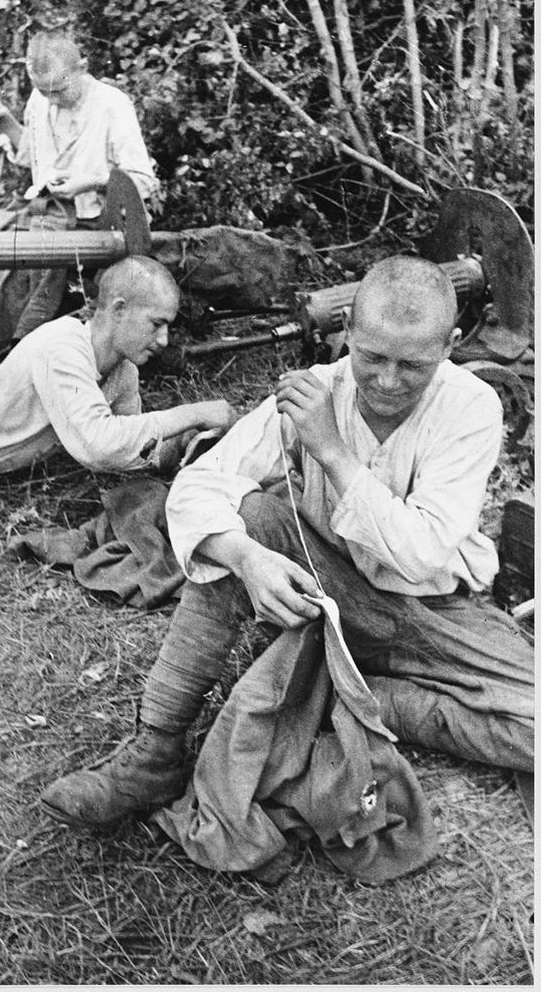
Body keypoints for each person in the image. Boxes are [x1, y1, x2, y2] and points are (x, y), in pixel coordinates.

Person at [40, 255, 534, 829]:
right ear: (348, 330)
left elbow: (421, 553)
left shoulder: (472, 405)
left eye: (413, 365)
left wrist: (332, 452)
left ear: (449, 346)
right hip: (328, 591)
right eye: (372, 357)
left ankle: (380, 700)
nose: (388, 381)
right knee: (244, 517)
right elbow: (197, 486)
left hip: (436, 612)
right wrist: (246, 560)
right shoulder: (316, 390)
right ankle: (156, 749)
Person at [0, 257, 238, 539]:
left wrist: (188, 446)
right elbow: (99, 445)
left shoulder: (124, 371)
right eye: (156, 324)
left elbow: (129, 451)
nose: (164, 341)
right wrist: (194, 413)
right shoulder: (63, 348)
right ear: (118, 309)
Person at [0, 30, 158, 339]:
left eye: (59, 90)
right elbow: (34, 158)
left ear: (83, 68)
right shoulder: (41, 99)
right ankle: (18, 340)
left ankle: (24, 344)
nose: (52, 100)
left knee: (43, 280)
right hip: (48, 217)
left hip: (99, 226)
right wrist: (8, 125)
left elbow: (142, 182)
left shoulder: (112, 105)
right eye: (44, 92)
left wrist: (90, 183)